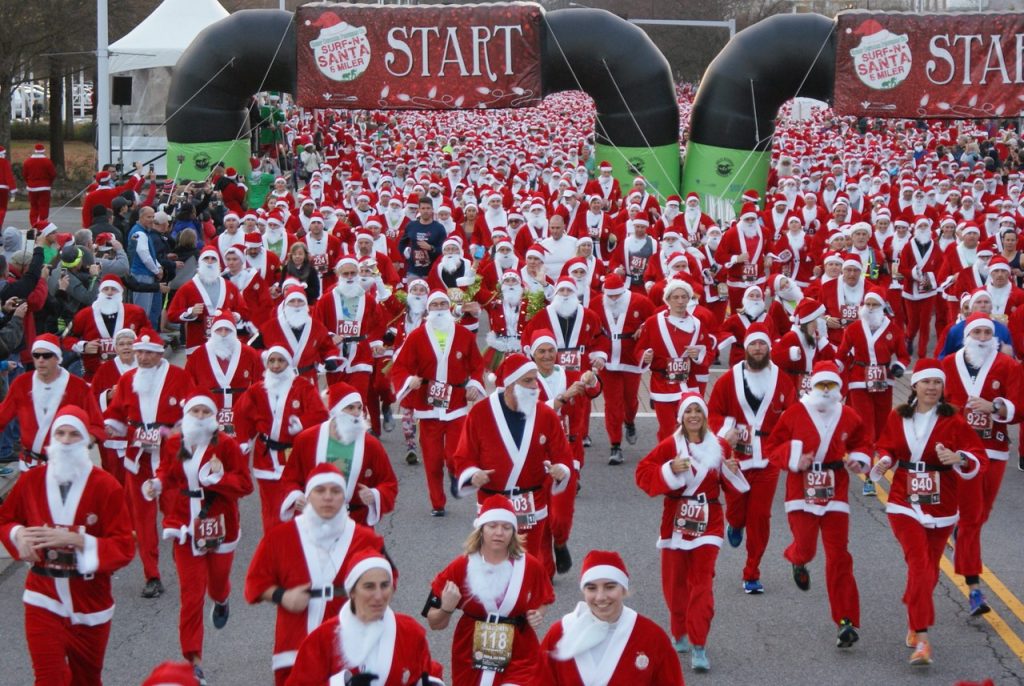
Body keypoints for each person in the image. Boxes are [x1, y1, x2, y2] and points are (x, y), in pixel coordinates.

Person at [0, 406, 135, 686]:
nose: (65, 439)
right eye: (59, 433)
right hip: (42, 596)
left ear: (86, 441)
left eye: (74, 434)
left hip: (90, 601)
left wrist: (77, 540)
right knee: (48, 679)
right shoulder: (31, 480)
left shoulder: (106, 486)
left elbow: (124, 547)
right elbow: (6, 518)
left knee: (87, 680)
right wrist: (18, 535)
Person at [869, 359, 986, 666]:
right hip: (903, 501)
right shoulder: (899, 416)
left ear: (942, 388)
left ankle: (913, 616)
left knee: (929, 570)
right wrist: (883, 460)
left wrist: (958, 457)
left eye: (937, 383)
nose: (932, 387)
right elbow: (887, 446)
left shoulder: (955, 419)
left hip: (942, 503)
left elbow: (977, 456)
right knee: (920, 563)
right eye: (926, 382)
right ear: (915, 385)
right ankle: (922, 638)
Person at [143, 394, 254, 685]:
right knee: (191, 596)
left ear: (213, 416)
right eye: (196, 410)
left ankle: (222, 598)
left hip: (219, 525)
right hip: (184, 526)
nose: (201, 415)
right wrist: (156, 483)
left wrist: (218, 479)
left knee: (216, 585)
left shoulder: (225, 445)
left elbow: (245, 485)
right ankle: (194, 661)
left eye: (206, 411)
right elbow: (166, 471)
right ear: (187, 413)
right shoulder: (173, 442)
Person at [634, 392, 748, 672]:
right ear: (681, 417)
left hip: (709, 522)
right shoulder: (669, 446)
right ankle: (679, 632)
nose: (694, 416)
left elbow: (732, 486)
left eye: (698, 411)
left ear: (705, 416)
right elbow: (642, 473)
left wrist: (732, 470)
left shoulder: (719, 445)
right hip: (675, 522)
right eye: (688, 412)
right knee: (674, 584)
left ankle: (699, 643)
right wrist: (669, 469)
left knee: (702, 584)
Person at [245, 462, 386, 685]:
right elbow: (255, 583)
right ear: (308, 496)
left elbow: (389, 581)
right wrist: (283, 596)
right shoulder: (280, 538)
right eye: (320, 491)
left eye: (336, 491)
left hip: (349, 641)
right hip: (294, 641)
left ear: (344, 498)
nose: (328, 497)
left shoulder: (366, 539)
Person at [763, 361, 871, 649]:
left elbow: (863, 442)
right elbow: (772, 448)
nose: (825, 390)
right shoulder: (794, 414)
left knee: (839, 556)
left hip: (835, 489)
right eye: (821, 385)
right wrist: (794, 457)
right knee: (808, 547)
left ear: (837, 388)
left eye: (831, 385)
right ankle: (797, 558)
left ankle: (845, 620)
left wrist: (858, 459)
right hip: (801, 488)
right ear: (812, 385)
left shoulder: (848, 415)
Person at [423, 495, 555, 686]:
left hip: (520, 650)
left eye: (506, 527)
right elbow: (434, 623)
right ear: (481, 529)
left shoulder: (530, 566)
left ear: (514, 532)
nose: (499, 533)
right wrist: (446, 609)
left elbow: (544, 598)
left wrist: (537, 614)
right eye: (492, 526)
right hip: (470, 652)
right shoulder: (460, 567)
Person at [940, 312, 1023, 616]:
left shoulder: (1009, 366)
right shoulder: (949, 365)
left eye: (988, 334)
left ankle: (961, 536)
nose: (983, 339)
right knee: (972, 519)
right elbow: (933, 402)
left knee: (980, 514)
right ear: (967, 335)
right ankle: (974, 589)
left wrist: (995, 407)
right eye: (978, 333)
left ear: (995, 337)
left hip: (994, 450)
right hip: (958, 453)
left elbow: (1020, 407)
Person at [103, 330, 194, 598]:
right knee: (142, 521)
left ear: (160, 352)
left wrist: (178, 433)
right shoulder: (128, 379)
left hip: (170, 459)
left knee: (175, 513)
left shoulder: (179, 377)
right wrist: (109, 427)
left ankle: (185, 564)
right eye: (139, 352)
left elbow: (193, 412)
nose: (141, 357)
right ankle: (151, 574)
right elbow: (116, 414)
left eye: (148, 352)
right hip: (138, 460)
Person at [707, 323, 795, 593]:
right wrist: (726, 430)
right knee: (736, 510)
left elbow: (793, 417)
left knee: (760, 517)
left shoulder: (782, 379)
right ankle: (734, 523)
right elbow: (713, 413)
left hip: (768, 461)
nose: (758, 349)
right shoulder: (727, 379)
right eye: (753, 344)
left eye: (762, 344)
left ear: (769, 347)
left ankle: (752, 571)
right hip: (736, 459)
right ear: (745, 348)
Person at [390, 290, 485, 516]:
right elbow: (401, 366)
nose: (440, 308)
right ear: (428, 309)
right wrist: (408, 380)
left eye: (444, 304)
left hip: (456, 406)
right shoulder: (417, 336)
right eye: (435, 305)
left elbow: (476, 365)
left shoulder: (463, 335)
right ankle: (437, 503)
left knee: (454, 454)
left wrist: (474, 385)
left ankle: (455, 474)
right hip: (427, 407)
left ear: (450, 307)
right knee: (432, 461)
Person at [287, 549, 442, 685]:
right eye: (369, 586)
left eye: (384, 585)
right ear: (352, 592)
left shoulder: (410, 631)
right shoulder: (323, 638)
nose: (379, 596)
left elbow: (427, 673)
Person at [538, 550, 684, 685]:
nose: (600, 597)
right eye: (591, 588)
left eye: (610, 587)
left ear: (623, 589)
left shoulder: (651, 637)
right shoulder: (559, 634)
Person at [235, 346, 329, 534]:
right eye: (272, 361)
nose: (276, 365)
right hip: (266, 458)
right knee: (271, 510)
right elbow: (241, 413)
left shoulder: (303, 387)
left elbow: (320, 414)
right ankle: (273, 547)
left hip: (294, 456)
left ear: (288, 363)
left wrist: (302, 423)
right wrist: (244, 439)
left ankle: (297, 544)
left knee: (297, 507)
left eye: (280, 361)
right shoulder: (257, 390)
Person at [278, 382, 398, 527]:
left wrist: (375, 494)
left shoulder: (371, 445)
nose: (356, 413)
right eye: (350, 408)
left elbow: (389, 482)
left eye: (359, 408)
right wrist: (296, 495)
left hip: (356, 523)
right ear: (336, 411)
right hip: (313, 521)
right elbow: (290, 478)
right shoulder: (307, 439)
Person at [0, 334, 104, 471]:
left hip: (68, 465)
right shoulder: (21, 383)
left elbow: (97, 426)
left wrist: (82, 444)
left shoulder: (78, 386)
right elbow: (2, 416)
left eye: (47, 355)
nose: (40, 360)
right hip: (30, 465)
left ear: (57, 358)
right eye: (36, 355)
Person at [635, 279, 715, 441]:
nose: (680, 301)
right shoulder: (653, 322)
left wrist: (698, 354)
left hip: (688, 383)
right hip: (662, 384)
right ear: (668, 299)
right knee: (667, 429)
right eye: (675, 297)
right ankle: (668, 460)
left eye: (684, 297)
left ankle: (688, 461)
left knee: (689, 429)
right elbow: (639, 349)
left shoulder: (697, 324)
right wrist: (645, 356)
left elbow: (708, 352)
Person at [590, 273, 654, 463]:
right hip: (607, 359)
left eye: (617, 295)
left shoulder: (640, 301)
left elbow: (655, 319)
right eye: (610, 296)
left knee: (630, 399)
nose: (614, 299)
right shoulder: (596, 304)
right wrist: (596, 355)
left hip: (631, 358)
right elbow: (592, 328)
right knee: (612, 403)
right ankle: (615, 445)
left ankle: (630, 421)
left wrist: (643, 326)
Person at [184, 310, 263, 437]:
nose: (223, 334)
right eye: (219, 330)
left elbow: (259, 384)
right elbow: (188, 384)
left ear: (234, 332)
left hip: (240, 410)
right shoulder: (198, 354)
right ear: (213, 332)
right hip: (208, 412)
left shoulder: (249, 353)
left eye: (227, 330)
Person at [63, 274, 149, 380]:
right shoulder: (84, 315)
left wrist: (137, 343)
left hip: (129, 374)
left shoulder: (136, 313)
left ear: (120, 292)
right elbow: (65, 339)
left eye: (114, 289)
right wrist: (84, 346)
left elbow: (149, 335)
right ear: (100, 292)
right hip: (95, 375)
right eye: (105, 289)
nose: (109, 292)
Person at [399, 196, 448, 279]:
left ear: (432, 209)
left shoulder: (439, 228)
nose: (426, 211)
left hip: (432, 271)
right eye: (423, 208)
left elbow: (444, 250)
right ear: (419, 210)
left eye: (428, 208)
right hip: (413, 271)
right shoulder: (411, 225)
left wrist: (431, 248)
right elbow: (401, 244)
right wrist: (406, 253)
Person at [22, 143, 56, 227]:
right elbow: (53, 174)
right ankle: (43, 223)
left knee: (34, 206)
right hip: (44, 187)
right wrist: (49, 183)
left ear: (35, 151)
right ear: (43, 151)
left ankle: (33, 223)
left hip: (32, 187)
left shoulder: (27, 161)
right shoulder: (47, 162)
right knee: (44, 206)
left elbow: (24, 174)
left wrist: (29, 182)